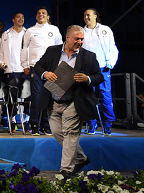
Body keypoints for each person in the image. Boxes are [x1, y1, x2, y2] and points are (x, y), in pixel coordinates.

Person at [34, 25, 104, 179]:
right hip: (53, 101)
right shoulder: (52, 51)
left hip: (74, 102)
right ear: (67, 38)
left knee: (71, 134)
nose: (80, 42)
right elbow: (38, 66)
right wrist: (45, 74)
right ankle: (81, 158)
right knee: (58, 133)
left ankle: (66, 170)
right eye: (77, 39)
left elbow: (99, 76)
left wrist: (87, 79)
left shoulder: (89, 56)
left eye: (82, 39)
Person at [21, 6, 62, 135]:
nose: (41, 15)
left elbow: (60, 47)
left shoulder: (54, 29)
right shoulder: (30, 31)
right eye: (38, 13)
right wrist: (25, 65)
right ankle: (34, 125)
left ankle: (46, 125)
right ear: (36, 16)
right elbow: (24, 48)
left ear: (48, 16)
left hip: (52, 68)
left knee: (50, 97)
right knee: (37, 96)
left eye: (43, 13)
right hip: (36, 67)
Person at [82, 8, 119, 135]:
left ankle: (107, 124)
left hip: (103, 68)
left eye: (88, 15)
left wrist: (110, 63)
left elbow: (113, 47)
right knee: (88, 97)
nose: (86, 17)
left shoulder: (105, 30)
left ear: (95, 16)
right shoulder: (82, 32)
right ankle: (92, 124)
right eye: (84, 15)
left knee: (105, 96)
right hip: (88, 70)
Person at [0, 12, 29, 130]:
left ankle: (27, 119)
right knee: (11, 97)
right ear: (13, 20)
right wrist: (3, 65)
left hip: (25, 70)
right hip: (11, 71)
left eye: (22, 17)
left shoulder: (28, 33)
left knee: (27, 97)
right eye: (18, 17)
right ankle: (12, 120)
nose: (21, 19)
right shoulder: (6, 34)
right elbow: (1, 53)